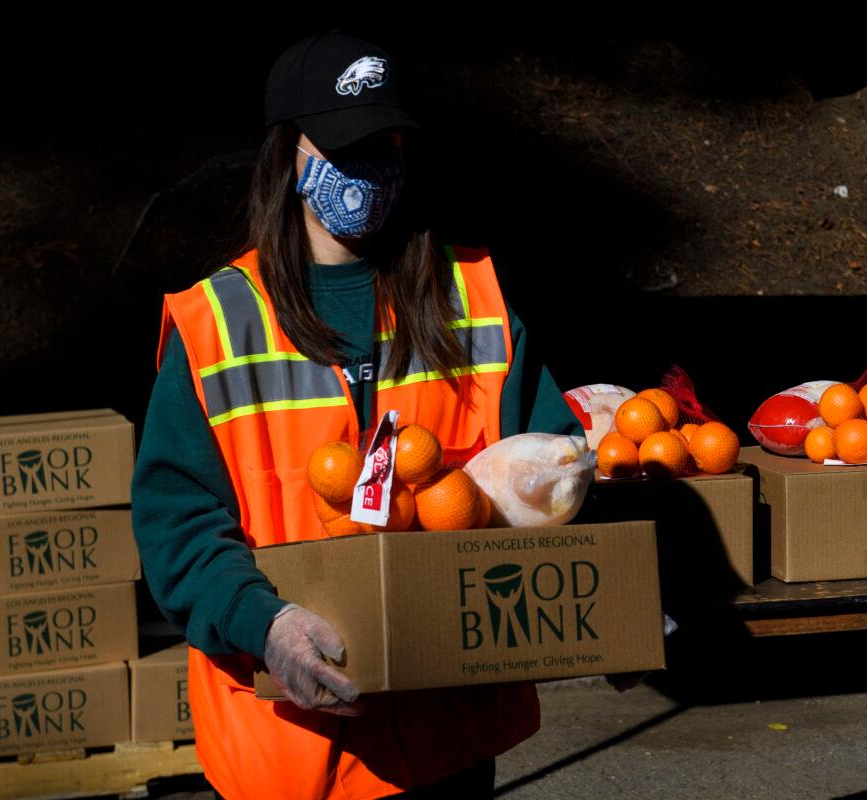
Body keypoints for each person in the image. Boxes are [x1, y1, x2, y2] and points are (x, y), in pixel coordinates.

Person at [131, 31, 582, 800]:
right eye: (344, 146)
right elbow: (178, 527)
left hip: (450, 737)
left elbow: (554, 472)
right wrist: (264, 626)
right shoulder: (219, 323)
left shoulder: (472, 297)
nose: (371, 170)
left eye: (386, 145)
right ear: (286, 158)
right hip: (290, 749)